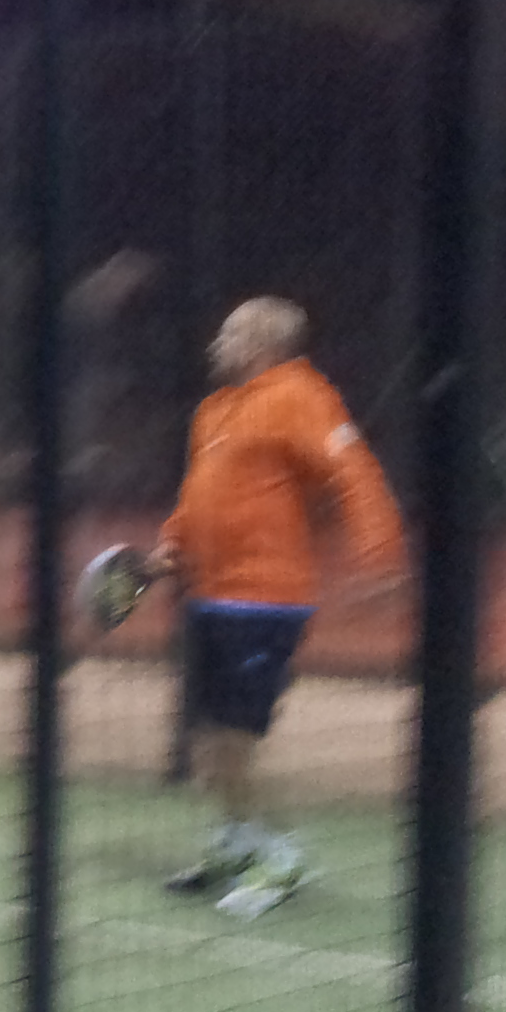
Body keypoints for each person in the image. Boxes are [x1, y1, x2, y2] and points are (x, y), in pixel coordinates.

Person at [145, 297, 406, 918]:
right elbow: (199, 497)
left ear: (263, 343)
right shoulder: (215, 410)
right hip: (209, 596)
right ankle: (237, 845)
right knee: (208, 744)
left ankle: (282, 858)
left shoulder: (301, 396)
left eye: (231, 332)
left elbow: (354, 473)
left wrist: (380, 556)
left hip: (265, 602)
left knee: (235, 743)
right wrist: (170, 546)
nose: (217, 342)